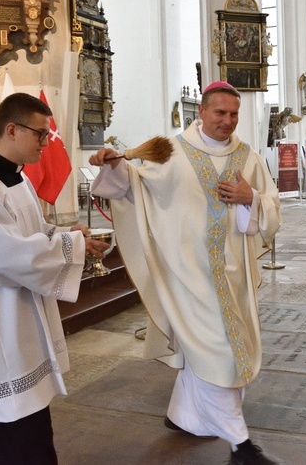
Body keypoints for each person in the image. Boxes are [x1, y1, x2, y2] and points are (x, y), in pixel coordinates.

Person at [90, 81, 282, 463]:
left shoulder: (248, 157)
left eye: (234, 114)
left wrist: (251, 199)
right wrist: (114, 166)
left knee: (218, 349)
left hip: (233, 275)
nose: (228, 121)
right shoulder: (171, 152)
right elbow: (134, 189)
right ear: (203, 112)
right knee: (221, 353)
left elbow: (271, 211)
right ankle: (241, 446)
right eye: (220, 113)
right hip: (188, 273)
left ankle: (185, 415)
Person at [0, 93, 110, 464]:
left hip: (15, 311)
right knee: (3, 422)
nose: (46, 143)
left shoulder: (17, 180)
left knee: (27, 419)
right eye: (41, 134)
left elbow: (31, 232)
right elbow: (4, 255)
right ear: (12, 130)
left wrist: (67, 232)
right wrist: (69, 246)